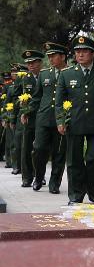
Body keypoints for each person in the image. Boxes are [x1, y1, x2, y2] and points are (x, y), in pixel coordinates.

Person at [55, 36, 94, 205]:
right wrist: (60, 121)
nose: (80, 54)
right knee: (74, 161)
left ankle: (90, 186)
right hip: (74, 123)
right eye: (77, 51)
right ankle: (75, 194)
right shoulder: (66, 74)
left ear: (92, 54)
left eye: (84, 51)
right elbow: (59, 102)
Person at [30, 42, 70, 193]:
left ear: (63, 56)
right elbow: (36, 96)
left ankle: (55, 183)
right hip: (44, 118)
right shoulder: (44, 73)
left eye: (53, 56)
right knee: (38, 149)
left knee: (59, 153)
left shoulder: (71, 72)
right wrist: (26, 112)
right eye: (49, 56)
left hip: (63, 119)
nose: (51, 59)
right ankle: (38, 177)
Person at [14, 50, 43, 188]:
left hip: (43, 116)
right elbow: (15, 97)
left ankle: (39, 175)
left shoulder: (46, 75)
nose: (30, 65)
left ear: (40, 63)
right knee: (26, 147)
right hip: (29, 117)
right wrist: (21, 106)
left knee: (40, 149)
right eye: (28, 63)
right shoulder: (24, 78)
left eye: (33, 62)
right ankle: (27, 177)